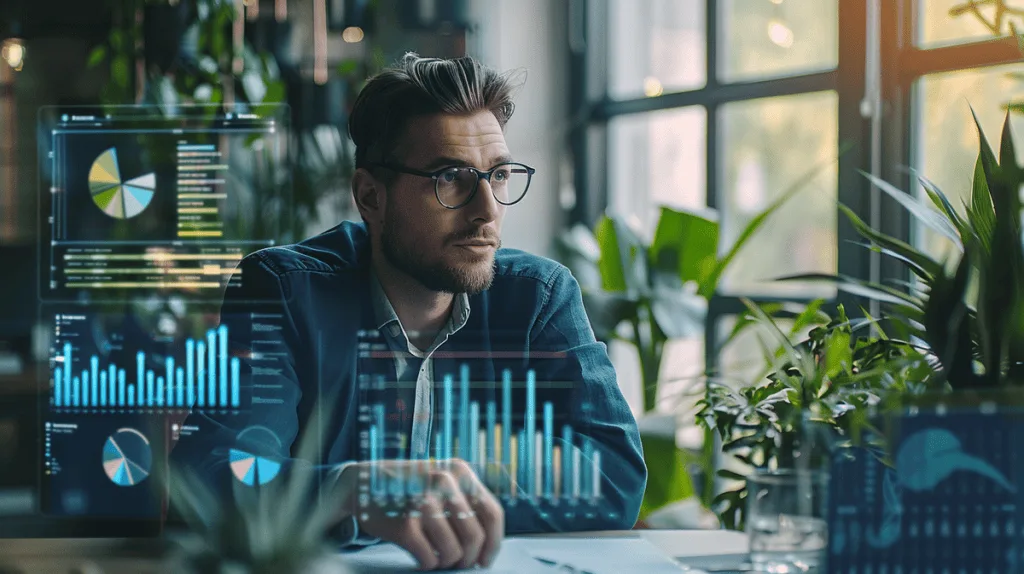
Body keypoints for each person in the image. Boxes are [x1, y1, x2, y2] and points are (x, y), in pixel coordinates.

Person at [171, 53, 646, 570]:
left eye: (500, 175)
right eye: (451, 178)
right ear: (371, 198)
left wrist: (438, 491)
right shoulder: (284, 291)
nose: (487, 209)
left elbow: (614, 476)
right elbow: (211, 476)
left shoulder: (538, 296)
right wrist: (359, 490)